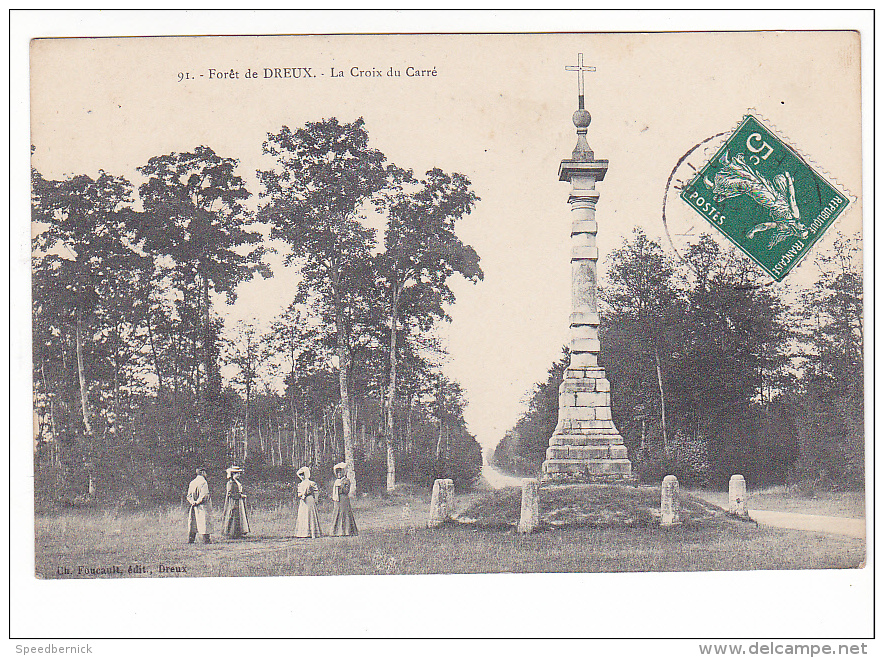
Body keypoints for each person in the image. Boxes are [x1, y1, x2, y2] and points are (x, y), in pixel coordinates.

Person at [221, 466, 251, 539]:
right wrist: (240, 496)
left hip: (238, 500)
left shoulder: (236, 482)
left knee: (239, 516)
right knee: (233, 515)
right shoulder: (230, 483)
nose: (239, 475)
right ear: (233, 474)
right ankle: (232, 533)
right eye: (238, 473)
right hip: (233, 501)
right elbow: (230, 494)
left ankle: (239, 532)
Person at [186, 467, 214, 544]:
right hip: (203, 506)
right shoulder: (203, 482)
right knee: (204, 522)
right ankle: (206, 540)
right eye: (205, 472)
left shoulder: (192, 482)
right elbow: (204, 495)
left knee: (193, 523)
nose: (206, 474)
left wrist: (193, 502)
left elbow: (188, 495)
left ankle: (191, 540)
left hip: (194, 506)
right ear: (202, 472)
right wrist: (198, 502)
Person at [330, 462, 358, 536]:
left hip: (343, 499)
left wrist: (340, 487)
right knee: (336, 513)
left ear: (343, 472)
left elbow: (346, 491)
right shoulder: (336, 481)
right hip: (337, 500)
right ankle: (335, 531)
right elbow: (334, 492)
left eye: (340, 472)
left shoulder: (346, 480)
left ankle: (346, 531)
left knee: (344, 514)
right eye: (338, 472)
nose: (339, 474)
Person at [295, 466, 323, 538]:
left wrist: (316, 499)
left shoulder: (311, 483)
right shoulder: (300, 484)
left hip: (310, 499)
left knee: (310, 514)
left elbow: (316, 491)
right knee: (303, 515)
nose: (302, 476)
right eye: (300, 475)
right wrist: (301, 495)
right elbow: (299, 493)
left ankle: (312, 532)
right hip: (303, 501)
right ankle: (303, 533)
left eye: (303, 474)